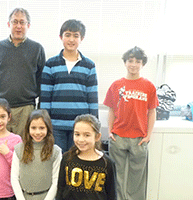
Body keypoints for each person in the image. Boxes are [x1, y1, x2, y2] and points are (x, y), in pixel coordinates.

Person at [103, 46, 159, 200]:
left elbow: (152, 111)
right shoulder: (116, 85)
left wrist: (148, 135)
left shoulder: (149, 86)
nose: (133, 64)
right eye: (130, 60)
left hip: (139, 138)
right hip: (118, 136)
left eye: (138, 61)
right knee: (117, 175)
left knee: (137, 177)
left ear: (142, 64)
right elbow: (111, 110)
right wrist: (109, 132)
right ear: (125, 62)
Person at [40, 19, 98, 152]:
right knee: (58, 161)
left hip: (80, 127)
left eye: (76, 36)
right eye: (67, 35)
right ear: (61, 37)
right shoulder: (50, 64)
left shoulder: (89, 65)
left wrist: (94, 126)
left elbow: (93, 99)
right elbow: (45, 98)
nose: (71, 39)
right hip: (56, 126)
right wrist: (45, 124)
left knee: (76, 160)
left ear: (81, 38)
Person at [0, 7, 46, 136]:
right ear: (9, 24)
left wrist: (40, 111)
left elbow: (41, 81)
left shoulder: (37, 49)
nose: (18, 26)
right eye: (15, 22)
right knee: (0, 148)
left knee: (23, 149)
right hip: (1, 108)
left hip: (26, 108)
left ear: (28, 25)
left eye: (22, 22)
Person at [56, 114, 116, 200]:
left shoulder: (107, 163)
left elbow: (112, 195)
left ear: (97, 136)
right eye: (77, 134)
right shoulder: (67, 158)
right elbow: (60, 190)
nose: (81, 140)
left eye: (87, 135)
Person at [11, 109, 62, 200]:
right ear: (28, 128)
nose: (37, 132)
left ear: (48, 128)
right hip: (23, 197)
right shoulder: (19, 149)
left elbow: (56, 181)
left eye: (42, 128)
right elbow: (14, 178)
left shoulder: (55, 151)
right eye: (33, 128)